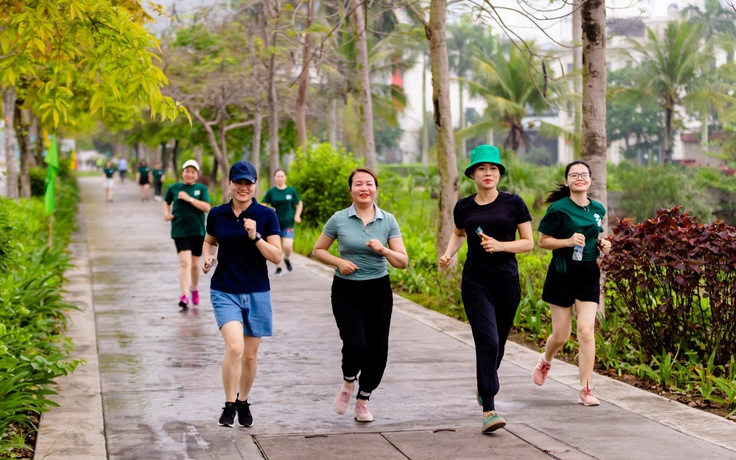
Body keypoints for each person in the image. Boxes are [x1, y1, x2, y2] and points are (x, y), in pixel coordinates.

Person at [438, 144, 534, 434]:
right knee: (487, 341)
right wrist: (448, 253)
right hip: (475, 282)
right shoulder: (464, 206)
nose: (488, 173)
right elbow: (458, 234)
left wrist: (501, 246)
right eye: (482, 168)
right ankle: (489, 409)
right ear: (473, 174)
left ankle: (485, 383)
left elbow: (528, 242)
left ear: (499, 173)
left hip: (506, 282)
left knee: (499, 344)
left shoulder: (514, 203)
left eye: (493, 168)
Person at [312, 168, 408, 423]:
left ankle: (363, 400)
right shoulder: (339, 219)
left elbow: (403, 261)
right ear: (351, 190)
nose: (364, 188)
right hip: (346, 290)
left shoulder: (388, 220)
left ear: (376, 188)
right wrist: (338, 262)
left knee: (378, 349)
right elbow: (318, 249)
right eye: (358, 184)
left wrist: (384, 250)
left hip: (378, 290)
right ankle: (348, 381)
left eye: (369, 184)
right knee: (356, 344)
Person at [201, 160, 282, 428]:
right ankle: (228, 404)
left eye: (248, 183)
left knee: (249, 356)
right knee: (234, 347)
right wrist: (208, 258)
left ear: (255, 185)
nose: (243, 187)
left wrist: (256, 236)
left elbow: (277, 257)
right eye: (238, 182)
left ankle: (243, 400)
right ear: (230, 184)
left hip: (257, 291)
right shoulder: (217, 214)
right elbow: (210, 241)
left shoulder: (267, 215)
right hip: (225, 290)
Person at [532, 160, 612, 406]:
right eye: (574, 174)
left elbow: (594, 237)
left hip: (588, 271)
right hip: (562, 271)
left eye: (584, 174)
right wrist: (567, 242)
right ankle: (546, 360)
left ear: (590, 180)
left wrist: (603, 244)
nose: (580, 178)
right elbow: (543, 242)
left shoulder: (598, 209)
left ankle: (586, 388)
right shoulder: (558, 208)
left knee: (586, 330)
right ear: (567, 181)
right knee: (561, 335)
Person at [163, 159, 212, 309]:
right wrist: (167, 213)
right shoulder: (174, 188)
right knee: (185, 262)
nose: (189, 174)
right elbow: (166, 202)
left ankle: (194, 289)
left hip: (197, 231)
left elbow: (207, 207)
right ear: (182, 173)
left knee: (195, 265)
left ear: (196, 175)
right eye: (187, 171)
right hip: (180, 230)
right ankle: (184, 295)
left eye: (193, 172)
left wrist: (189, 199)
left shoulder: (201, 189)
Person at [262, 169, 303, 276]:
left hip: (288, 223)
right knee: (277, 248)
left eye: (282, 176)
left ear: (285, 177)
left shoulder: (291, 191)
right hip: (274, 224)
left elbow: (299, 203)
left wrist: (297, 215)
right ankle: (278, 267)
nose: (280, 178)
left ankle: (287, 258)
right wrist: (269, 209)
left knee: (288, 246)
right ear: (274, 178)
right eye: (278, 176)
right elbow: (264, 204)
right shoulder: (271, 192)